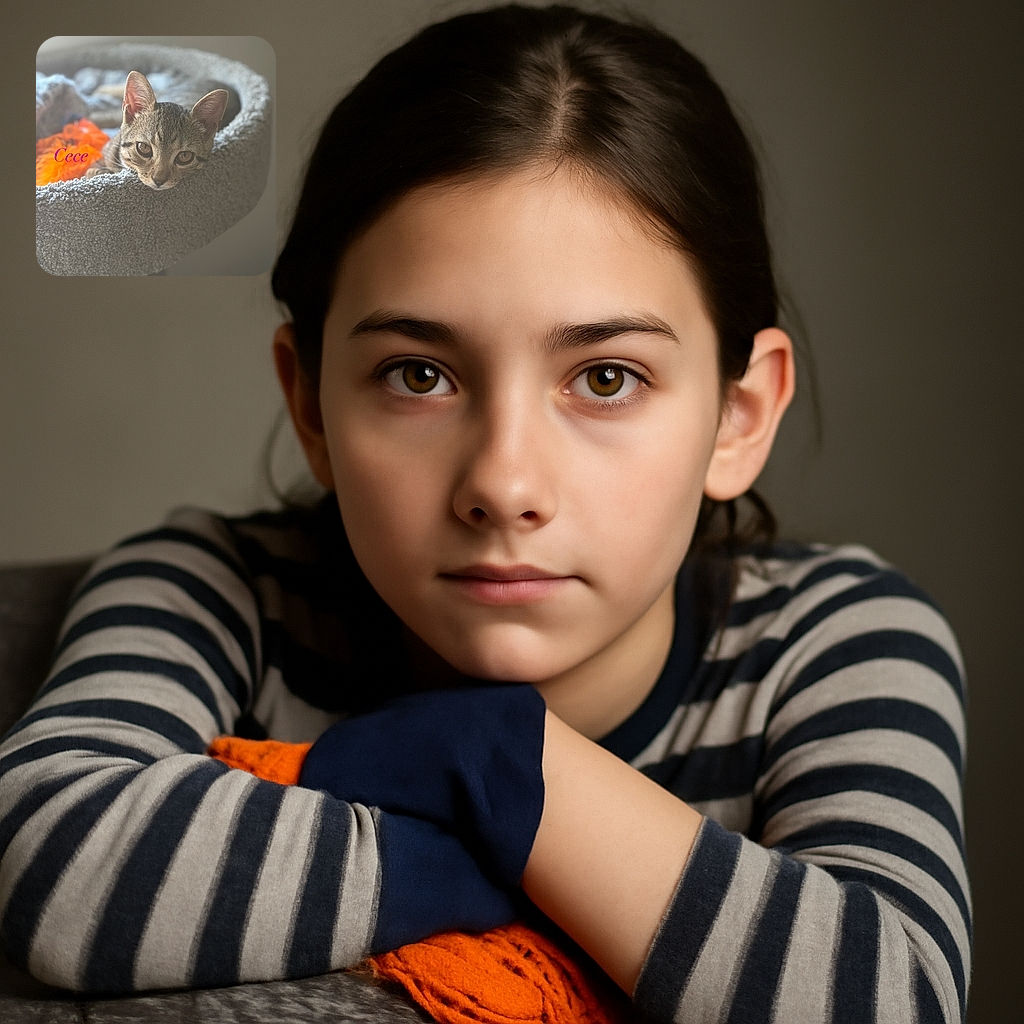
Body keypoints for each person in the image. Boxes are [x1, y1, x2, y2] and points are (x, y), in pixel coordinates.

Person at [0, 4, 970, 1021]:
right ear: (310, 405)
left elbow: (892, 995)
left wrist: (498, 760)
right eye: (417, 374)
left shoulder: (831, 640)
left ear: (738, 414)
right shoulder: (216, 589)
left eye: (604, 378)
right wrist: (541, 846)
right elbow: (51, 854)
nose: (504, 485)